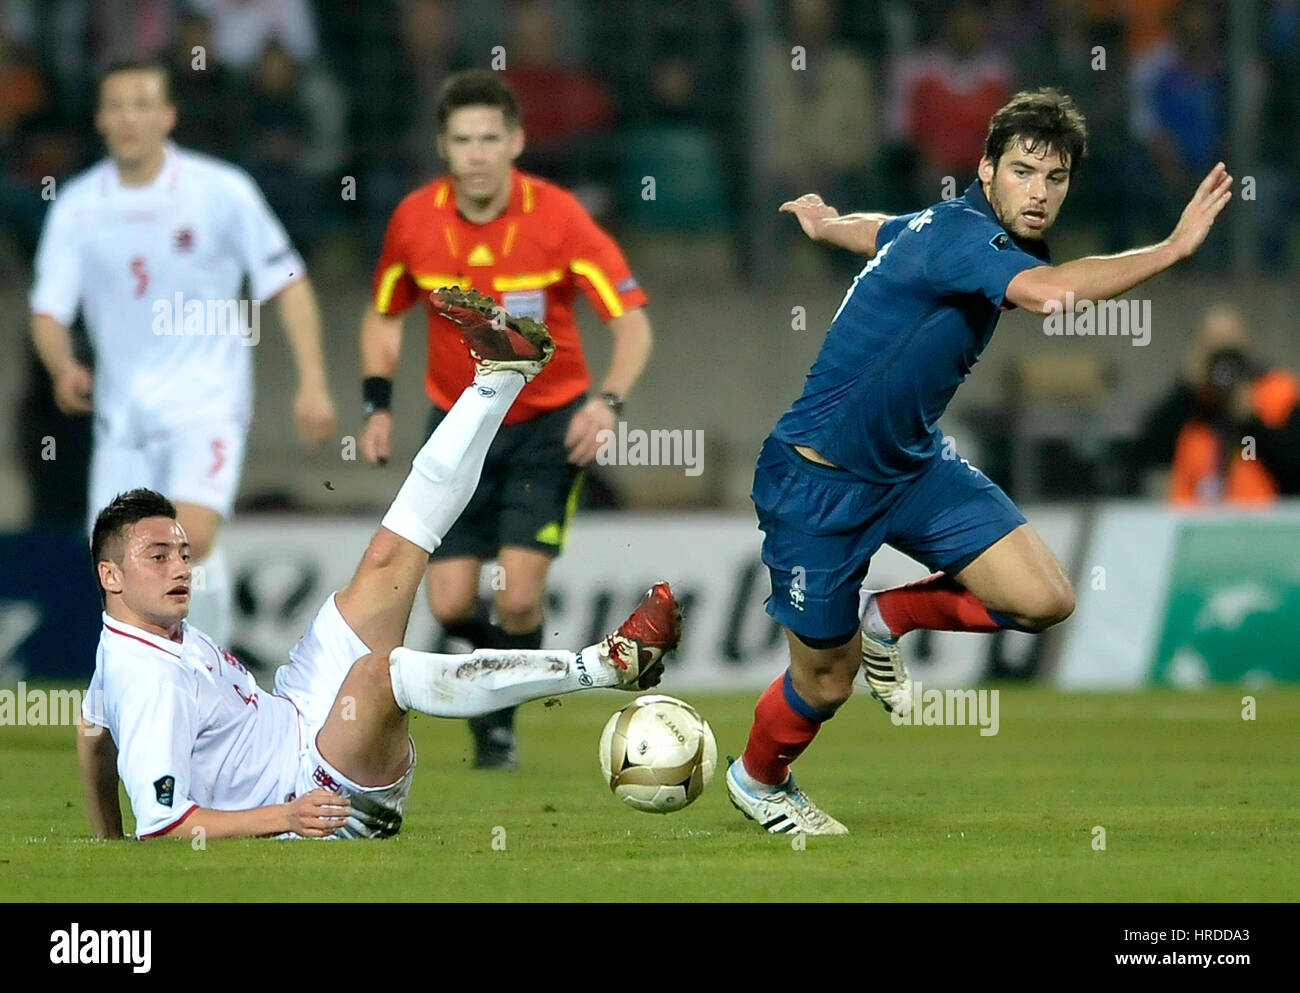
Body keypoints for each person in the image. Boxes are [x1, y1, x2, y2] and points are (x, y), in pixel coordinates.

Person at [728, 87, 1233, 834]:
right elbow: (1054, 295)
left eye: (1055, 179)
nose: (1039, 193)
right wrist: (1172, 248)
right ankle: (758, 778)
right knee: (825, 684)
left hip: (910, 467)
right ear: (986, 167)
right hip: (818, 481)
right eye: (1024, 172)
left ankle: (891, 614)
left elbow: (884, 232)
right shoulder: (968, 237)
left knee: (1044, 597)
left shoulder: (942, 226)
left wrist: (827, 224)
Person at [75, 293, 682, 841]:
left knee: (388, 555)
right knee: (377, 675)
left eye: (181, 552)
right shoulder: (148, 680)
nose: (180, 567)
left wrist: (105, 844)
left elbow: (92, 736)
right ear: (112, 576)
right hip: (311, 794)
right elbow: (168, 826)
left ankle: (501, 376)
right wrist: (286, 817)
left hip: (298, 708)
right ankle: (603, 665)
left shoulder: (125, 645)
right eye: (158, 557)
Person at [358, 69, 653, 768]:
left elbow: (633, 321)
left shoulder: (559, 217)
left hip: (545, 425)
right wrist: (375, 405)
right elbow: (383, 314)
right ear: (443, 146)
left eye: (491, 137)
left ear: (516, 140)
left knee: (518, 598)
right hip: (457, 426)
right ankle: (498, 689)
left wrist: (607, 402)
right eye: (463, 139)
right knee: (452, 596)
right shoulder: (413, 220)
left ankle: (498, 721)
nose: (478, 153)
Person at [29, 60, 337, 646]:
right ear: (100, 118)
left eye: (142, 105)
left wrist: (314, 383)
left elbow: (288, 283)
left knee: (186, 541)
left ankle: (208, 681)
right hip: (122, 421)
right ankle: (137, 703)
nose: (128, 119)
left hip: (206, 406)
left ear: (168, 115)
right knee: (121, 574)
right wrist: (62, 364)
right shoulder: (77, 206)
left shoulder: (220, 192)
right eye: (116, 106)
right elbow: (48, 311)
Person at [1135, 303, 1300, 504]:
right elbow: (1149, 450)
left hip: (1261, 523)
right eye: (1215, 350)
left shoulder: (1276, 390)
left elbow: (1292, 466)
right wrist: (1185, 389)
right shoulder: (1191, 400)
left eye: (1229, 349)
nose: (1224, 365)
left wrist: (1252, 421)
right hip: (1195, 523)